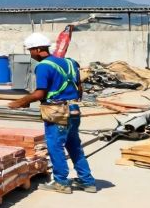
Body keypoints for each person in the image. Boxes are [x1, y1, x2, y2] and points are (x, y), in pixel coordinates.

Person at [8, 32, 96, 194]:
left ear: (38, 49)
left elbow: (40, 93)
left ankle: (61, 183)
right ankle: (87, 181)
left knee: (55, 147)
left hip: (57, 112)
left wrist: (20, 102)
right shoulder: (70, 62)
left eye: (31, 50)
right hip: (74, 109)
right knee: (74, 146)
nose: (31, 54)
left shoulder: (43, 66)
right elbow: (79, 88)